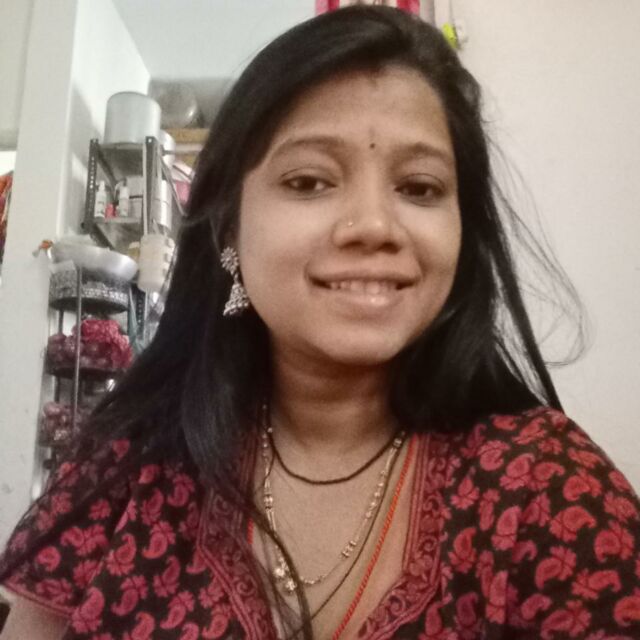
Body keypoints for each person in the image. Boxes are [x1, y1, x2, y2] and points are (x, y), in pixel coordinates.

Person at [1, 5, 639, 639]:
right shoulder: (124, 468)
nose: (375, 226)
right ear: (229, 227)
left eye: (419, 188)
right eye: (309, 182)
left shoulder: (548, 492)